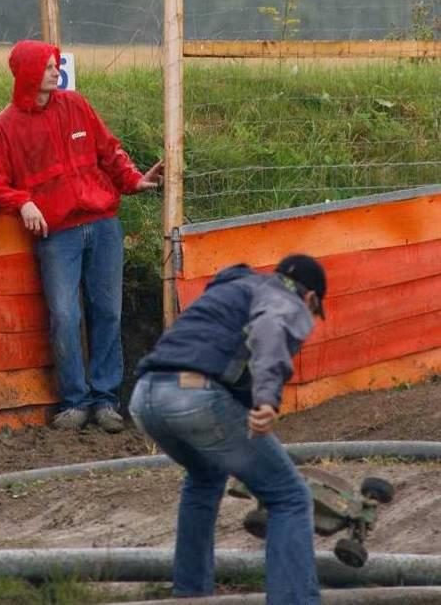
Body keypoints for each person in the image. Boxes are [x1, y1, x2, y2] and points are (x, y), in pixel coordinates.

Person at [0, 39, 163, 434]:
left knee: (107, 311)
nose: (54, 70)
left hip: (104, 224)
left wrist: (133, 180)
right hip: (58, 234)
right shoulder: (5, 127)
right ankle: (74, 401)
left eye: (55, 64)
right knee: (64, 315)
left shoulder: (77, 105)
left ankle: (106, 400)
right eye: (46, 66)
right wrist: (22, 202)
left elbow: (109, 151)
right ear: (27, 73)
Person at [129, 254, 326, 604]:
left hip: (145, 397)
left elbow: (227, 359)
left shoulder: (234, 289)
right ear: (309, 298)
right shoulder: (284, 297)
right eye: (312, 313)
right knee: (290, 497)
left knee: (204, 476)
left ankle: (191, 594)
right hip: (194, 398)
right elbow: (268, 333)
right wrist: (267, 398)